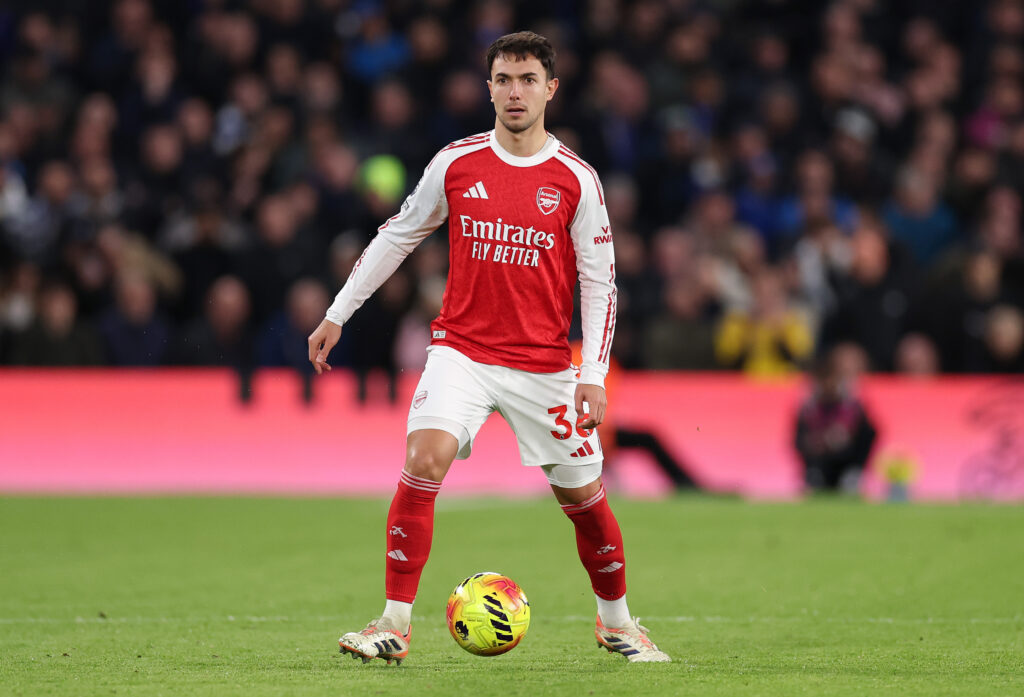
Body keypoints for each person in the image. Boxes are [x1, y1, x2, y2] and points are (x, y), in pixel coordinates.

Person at [307, 32, 669, 665]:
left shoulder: (577, 180)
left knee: (585, 501)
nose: (515, 92)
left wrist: (595, 374)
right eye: (503, 79)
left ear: (551, 88)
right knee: (424, 459)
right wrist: (339, 311)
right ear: (489, 89)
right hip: (462, 351)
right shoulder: (456, 163)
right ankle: (393, 624)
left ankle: (619, 625)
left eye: (528, 79)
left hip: (546, 364)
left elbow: (599, 279)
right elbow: (398, 235)